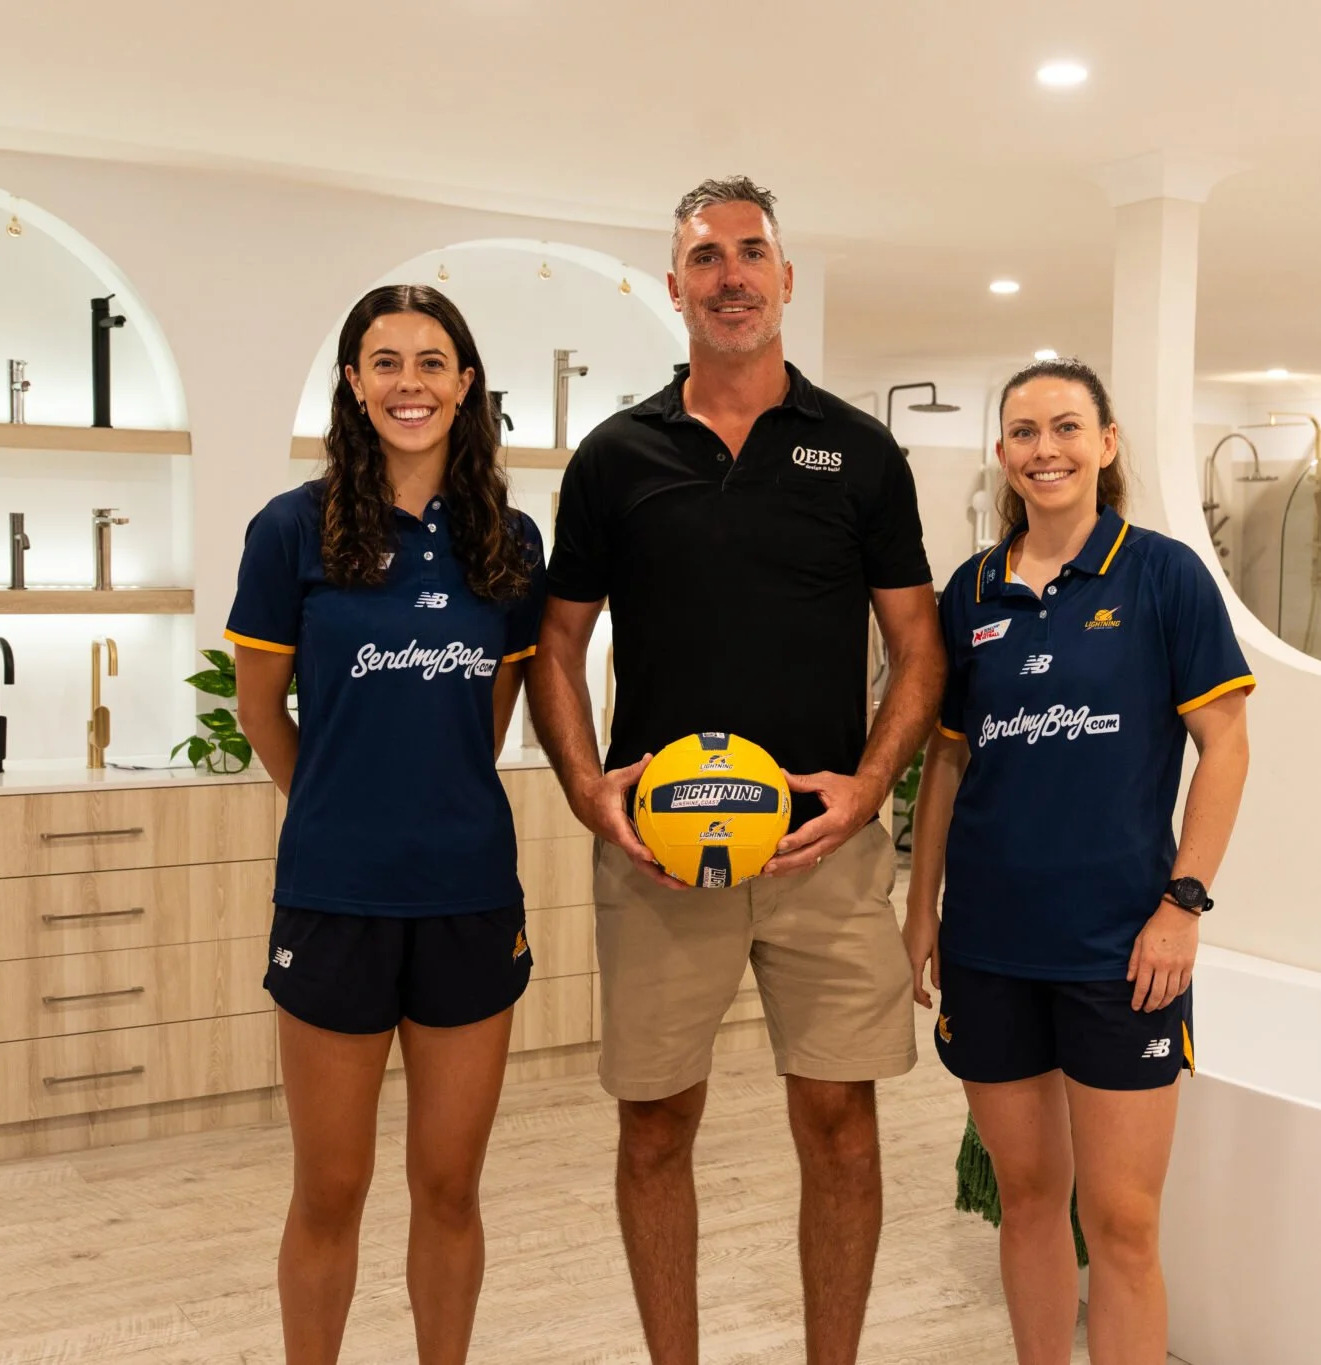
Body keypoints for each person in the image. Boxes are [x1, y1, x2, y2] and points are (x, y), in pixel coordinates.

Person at [527, 176, 945, 1365]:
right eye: (705, 258)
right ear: (674, 287)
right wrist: (586, 789)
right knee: (655, 1128)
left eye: (750, 253)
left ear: (784, 278)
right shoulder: (614, 457)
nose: (730, 277)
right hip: (661, 857)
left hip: (823, 850)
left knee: (841, 1129)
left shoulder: (858, 453)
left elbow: (917, 646)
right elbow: (556, 642)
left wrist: (869, 787)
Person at [903, 359, 1252, 1365]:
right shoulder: (969, 590)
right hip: (989, 948)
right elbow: (948, 761)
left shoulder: (1163, 575)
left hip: (1120, 951)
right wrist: (920, 909)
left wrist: (1182, 905)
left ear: (1105, 443)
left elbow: (1225, 745)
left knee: (1123, 1223)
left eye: (1065, 427)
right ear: (1001, 452)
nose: (1044, 449)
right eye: (1023, 431)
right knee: (1026, 1200)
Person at [227, 284, 546, 1365]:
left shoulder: (508, 540)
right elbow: (260, 711)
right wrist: (338, 805)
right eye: (386, 362)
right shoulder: (291, 529)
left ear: (466, 384)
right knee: (331, 1186)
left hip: (467, 894)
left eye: (431, 362)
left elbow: (487, 717)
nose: (410, 383)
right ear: (354, 385)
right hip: (335, 898)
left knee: (450, 1186)